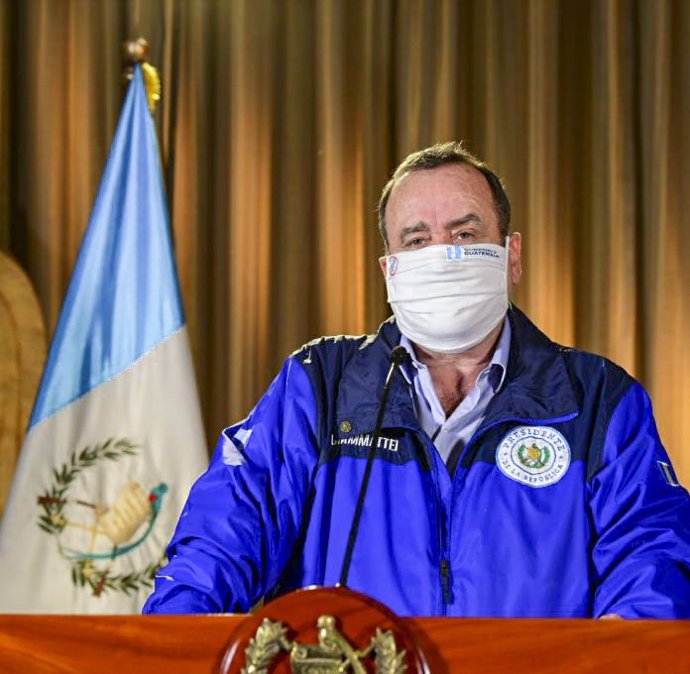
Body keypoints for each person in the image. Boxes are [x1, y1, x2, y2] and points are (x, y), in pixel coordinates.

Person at [144, 142, 690, 618]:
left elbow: (651, 558)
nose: (443, 255)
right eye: (416, 240)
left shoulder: (596, 399)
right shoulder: (321, 385)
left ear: (511, 254)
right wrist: (176, 641)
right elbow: (225, 532)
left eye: (465, 232)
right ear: (390, 270)